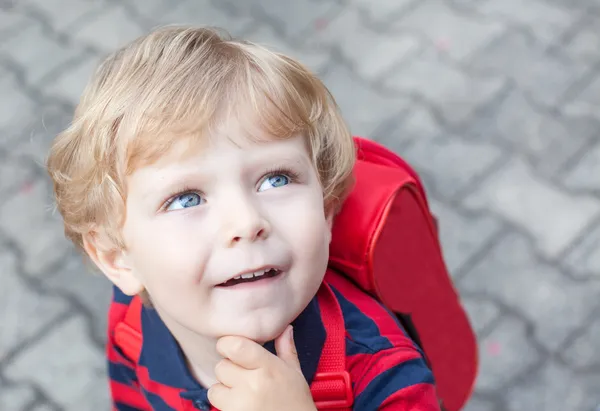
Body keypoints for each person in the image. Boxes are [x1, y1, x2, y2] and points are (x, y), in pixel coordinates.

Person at [46, 26, 440, 410]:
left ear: (326, 209)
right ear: (119, 258)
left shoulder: (386, 381)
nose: (246, 222)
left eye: (276, 179)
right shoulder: (132, 327)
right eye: (186, 199)